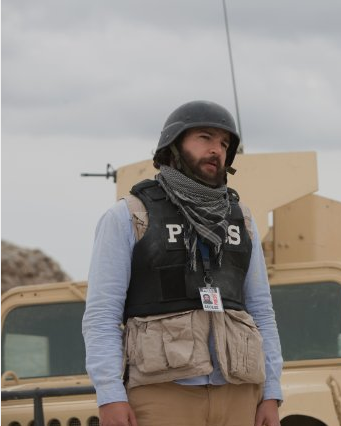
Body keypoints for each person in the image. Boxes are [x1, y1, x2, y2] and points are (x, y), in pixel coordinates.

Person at [82, 100, 283, 426]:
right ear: (174, 145)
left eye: (224, 144)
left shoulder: (241, 219)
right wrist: (110, 395)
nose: (216, 150)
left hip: (240, 394)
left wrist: (271, 392)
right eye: (205, 137)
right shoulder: (130, 215)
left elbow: (261, 311)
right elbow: (102, 315)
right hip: (162, 394)